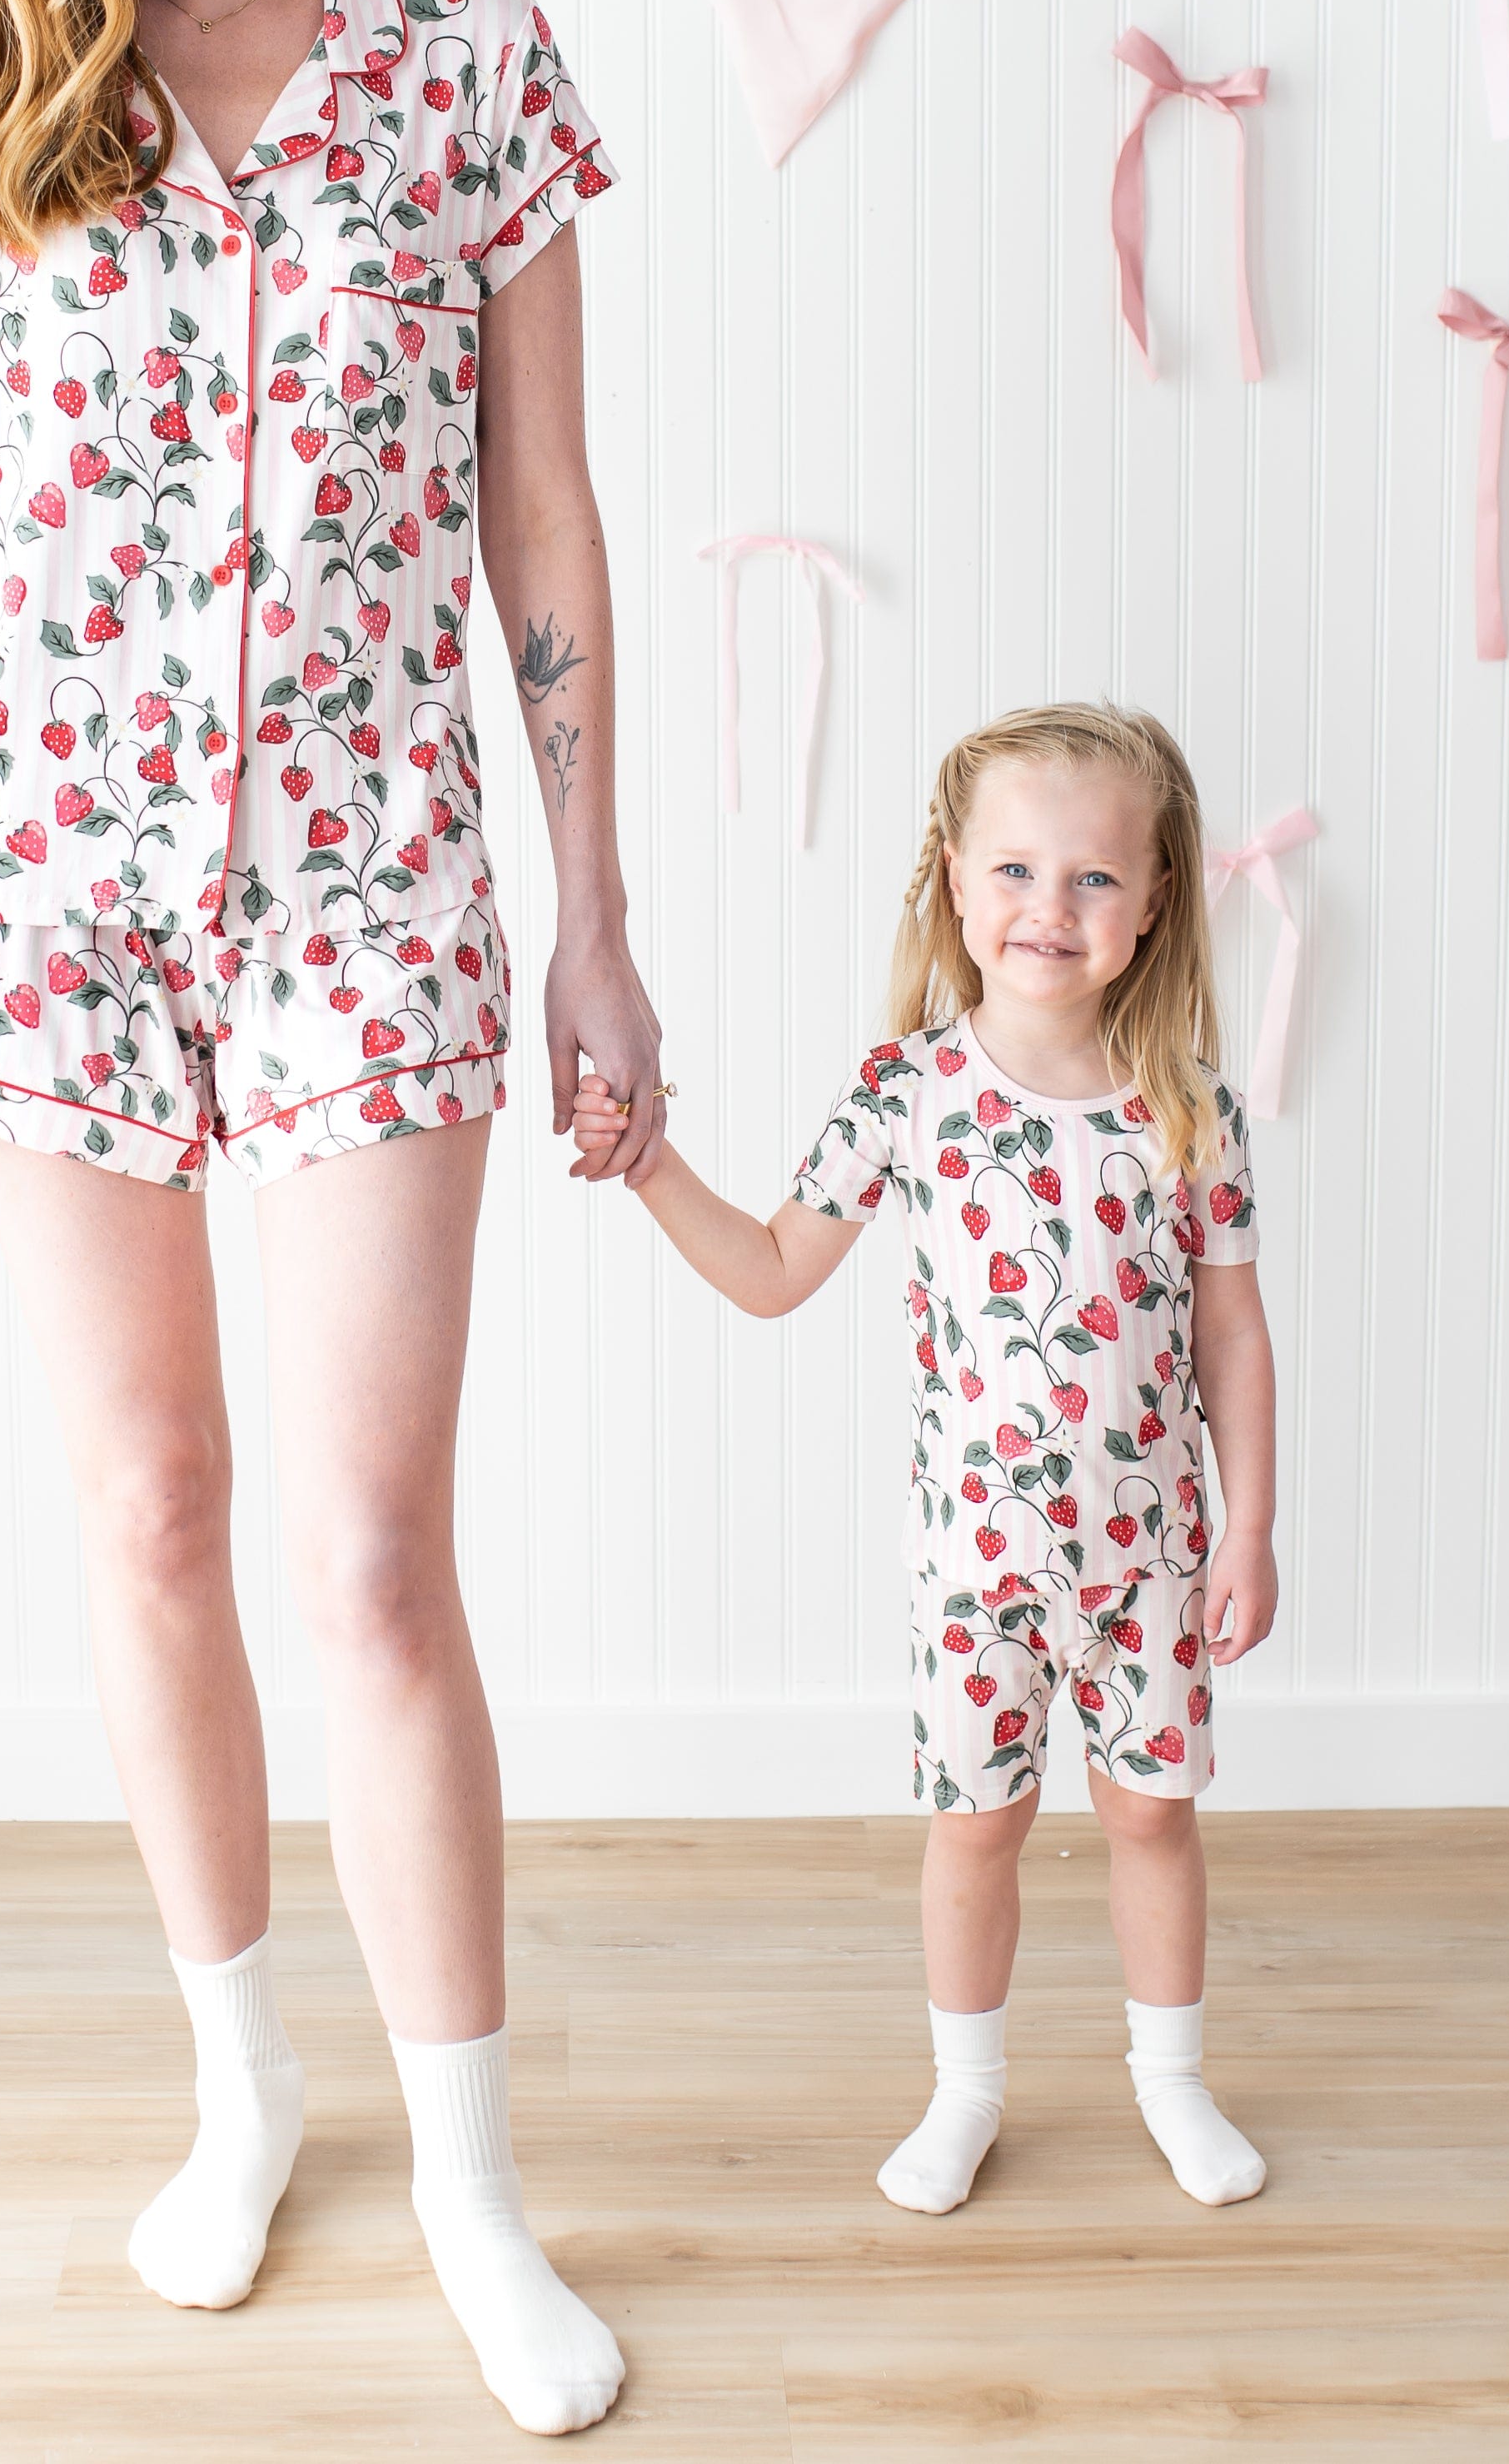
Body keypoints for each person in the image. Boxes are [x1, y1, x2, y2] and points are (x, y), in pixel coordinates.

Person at [0, 0, 658, 2439]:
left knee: (370, 1557)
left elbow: (542, 519)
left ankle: (470, 2177)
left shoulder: (470, 67)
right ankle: (242, 2085)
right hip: (37, 897)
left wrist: (602, 927)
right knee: (152, 1516)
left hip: (371, 889)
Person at [572, 702, 1280, 2214]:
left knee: (1152, 1814)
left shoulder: (1189, 1109)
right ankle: (966, 2089)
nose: (1050, 908)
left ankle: (1172, 2079)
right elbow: (771, 1268)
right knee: (979, 1827)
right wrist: (646, 1163)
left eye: (1094, 877)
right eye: (1015, 869)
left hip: (1152, 1561)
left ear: (1155, 900)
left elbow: (1232, 1339)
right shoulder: (911, 1095)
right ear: (953, 885)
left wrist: (1248, 1530)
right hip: (979, 1571)